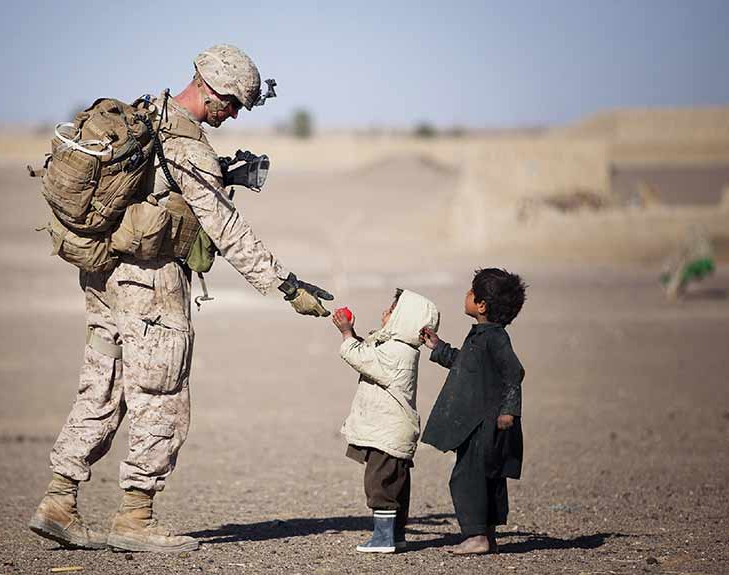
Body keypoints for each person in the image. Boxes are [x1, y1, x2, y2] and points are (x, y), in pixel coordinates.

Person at [29, 44, 334, 554]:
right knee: (162, 397)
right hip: (150, 285)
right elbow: (227, 229)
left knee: (101, 386)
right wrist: (285, 285)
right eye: (233, 103)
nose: (233, 114)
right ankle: (135, 517)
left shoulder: (149, 115)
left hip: (104, 277)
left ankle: (59, 501)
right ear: (210, 89)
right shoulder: (186, 144)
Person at [420, 268, 526, 555]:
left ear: (481, 305)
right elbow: (464, 364)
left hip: (486, 423)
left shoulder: (495, 338)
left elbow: (514, 372)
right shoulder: (481, 335)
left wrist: (509, 410)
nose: (466, 295)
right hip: (477, 422)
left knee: (468, 477)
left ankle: (476, 536)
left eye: (471, 292)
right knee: (485, 475)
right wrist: (438, 347)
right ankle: (487, 535)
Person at [331, 289, 439, 553]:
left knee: (380, 484)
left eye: (391, 311)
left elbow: (361, 357)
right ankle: (396, 536)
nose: (385, 313)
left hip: (388, 433)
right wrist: (353, 334)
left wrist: (346, 334)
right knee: (395, 486)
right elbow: (369, 351)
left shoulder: (397, 352)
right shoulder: (396, 347)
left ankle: (383, 539)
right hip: (391, 431)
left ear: (404, 319)